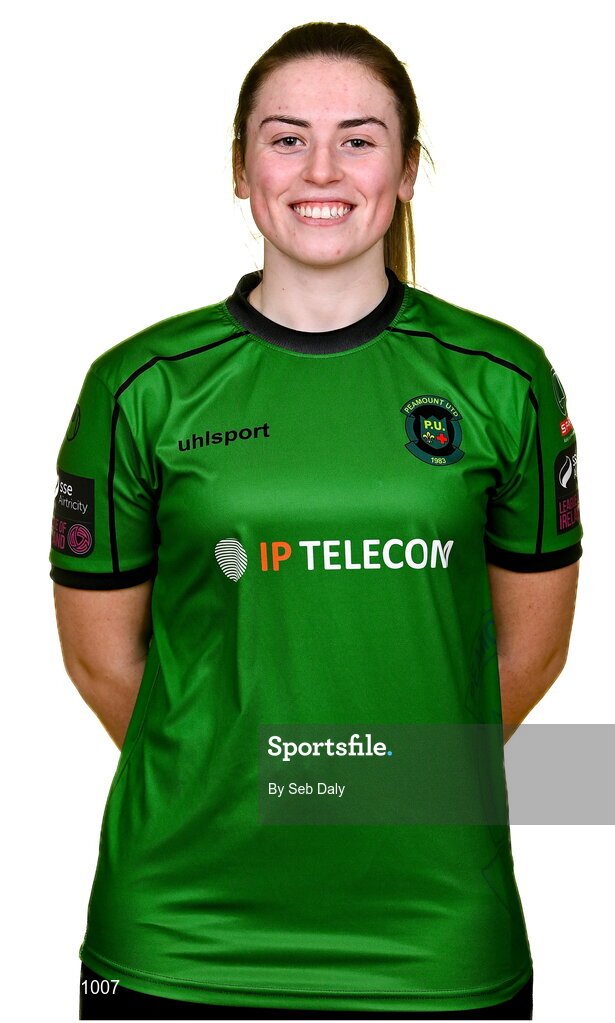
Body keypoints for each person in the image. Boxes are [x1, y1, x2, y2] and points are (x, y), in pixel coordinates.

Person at [50, 21, 581, 1022]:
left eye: (360, 138)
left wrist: (368, 789)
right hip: (178, 935)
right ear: (242, 170)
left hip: (433, 940)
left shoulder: (503, 380)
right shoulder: (138, 388)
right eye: (287, 138)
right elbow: (102, 666)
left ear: (409, 170)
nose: (321, 169)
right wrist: (234, 778)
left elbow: (530, 653)